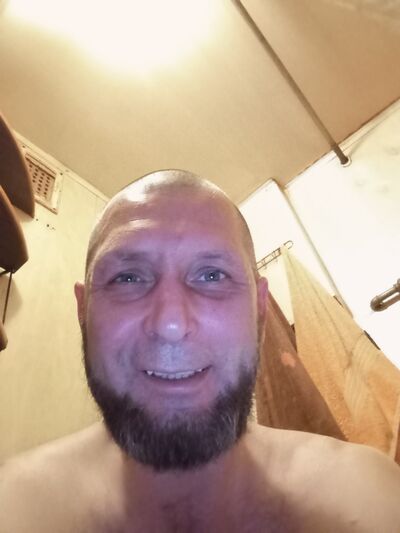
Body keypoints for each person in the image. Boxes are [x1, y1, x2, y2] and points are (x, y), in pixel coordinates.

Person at [0, 169, 399, 533]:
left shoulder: (367, 496)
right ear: (83, 310)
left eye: (212, 275)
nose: (170, 324)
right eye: (128, 278)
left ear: (260, 307)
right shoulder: (13, 508)